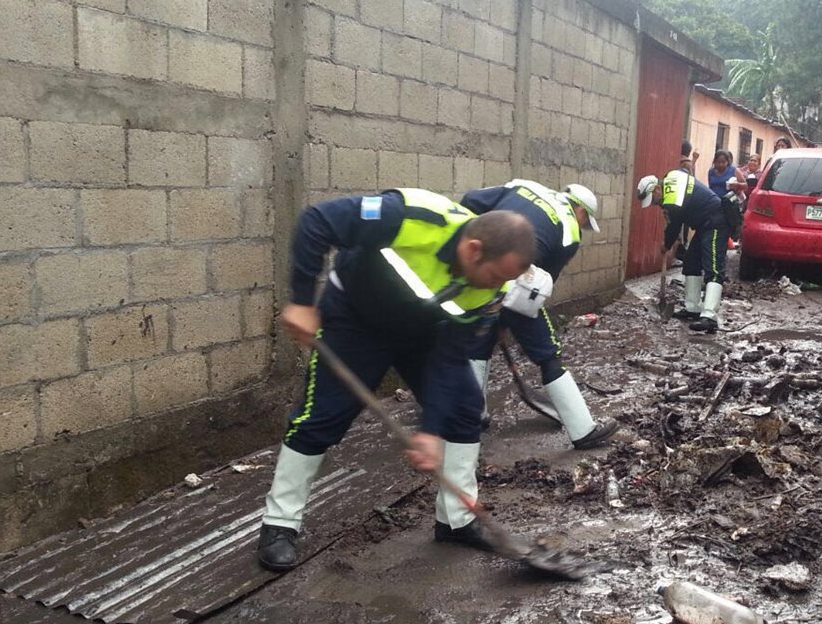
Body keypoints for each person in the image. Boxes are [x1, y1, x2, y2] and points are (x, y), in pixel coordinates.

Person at [257, 189, 537, 571]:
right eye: (494, 275)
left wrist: (431, 431)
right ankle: (279, 524)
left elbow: (450, 359)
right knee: (321, 416)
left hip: (425, 333)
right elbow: (317, 221)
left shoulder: (492, 289)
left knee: (464, 410)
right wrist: (303, 301)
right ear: (474, 250)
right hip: (356, 320)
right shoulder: (413, 218)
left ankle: (457, 521)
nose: (496, 286)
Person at [459, 179, 618, 450]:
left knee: (479, 344)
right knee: (548, 353)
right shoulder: (569, 231)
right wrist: (512, 311)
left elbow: (470, 199)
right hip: (517, 280)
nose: (583, 226)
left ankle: (473, 415)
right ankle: (583, 430)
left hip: (479, 269)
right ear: (580, 210)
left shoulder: (522, 187)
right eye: (586, 221)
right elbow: (542, 284)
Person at [637, 170, 732, 333]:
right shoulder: (671, 179)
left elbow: (674, 226)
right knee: (691, 263)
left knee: (714, 268)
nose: (654, 204)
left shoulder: (671, 199)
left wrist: (666, 244)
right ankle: (693, 308)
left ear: (657, 189)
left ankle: (710, 317)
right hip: (704, 225)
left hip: (716, 221)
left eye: (653, 200)